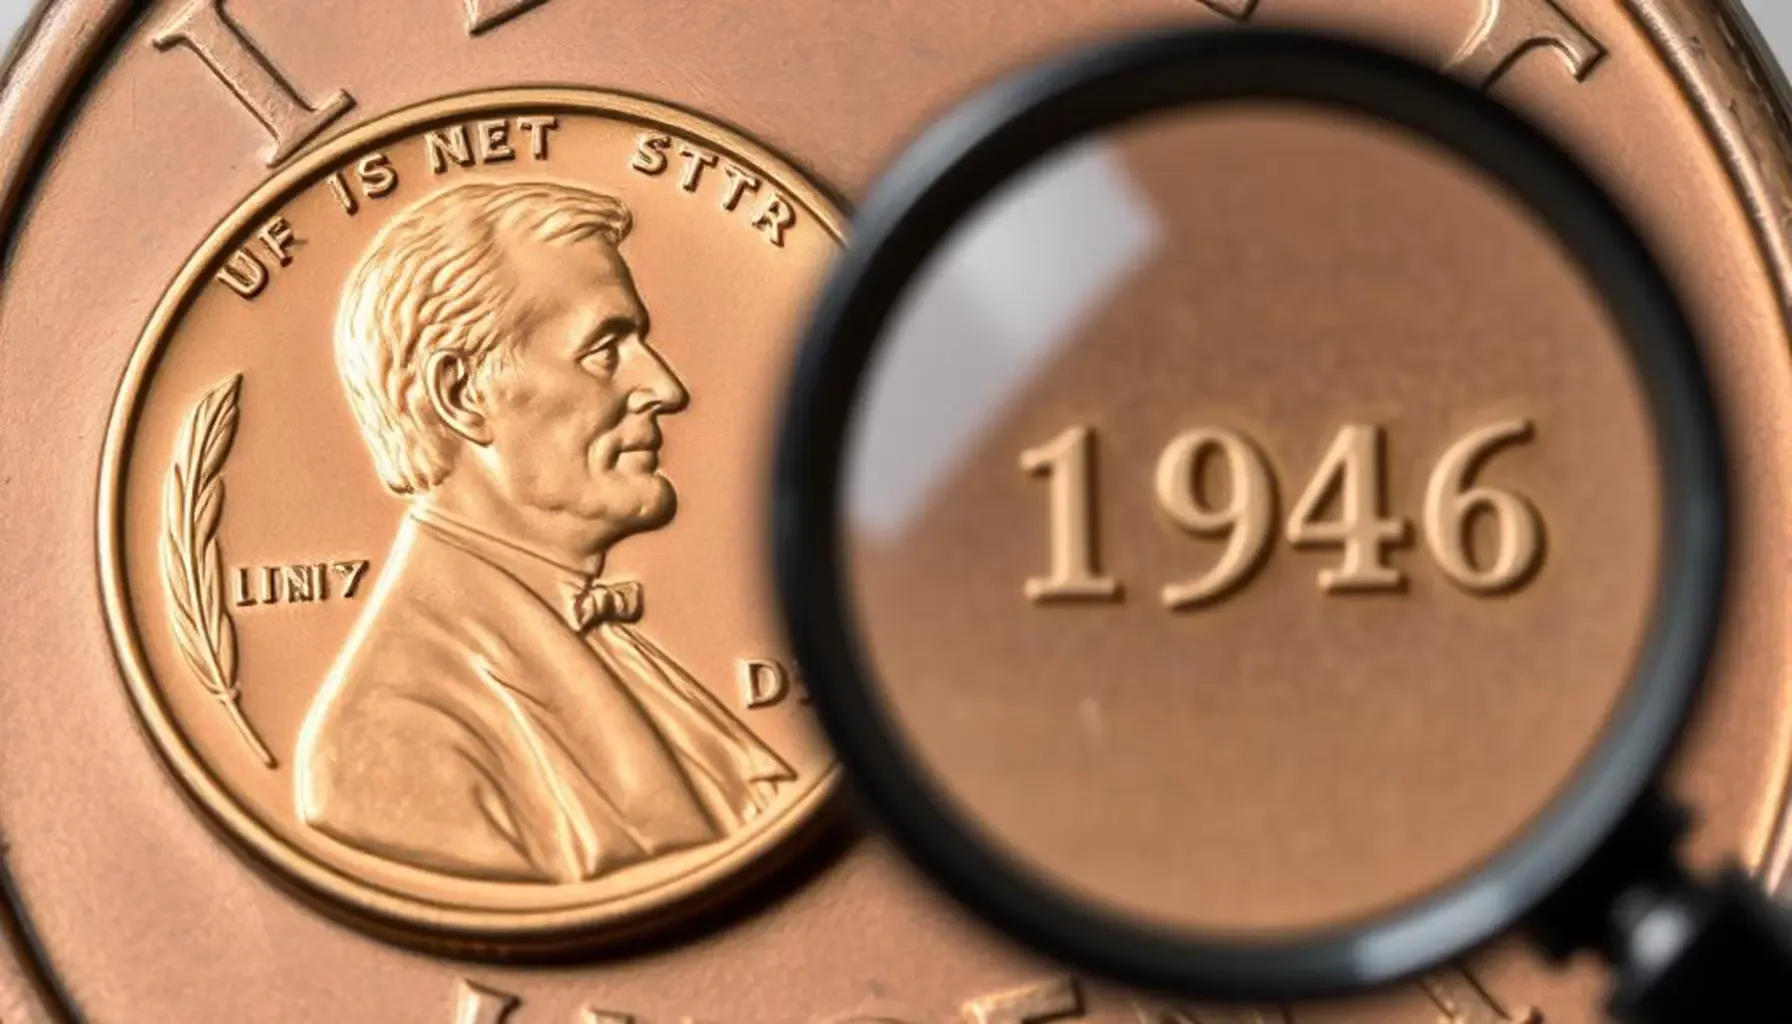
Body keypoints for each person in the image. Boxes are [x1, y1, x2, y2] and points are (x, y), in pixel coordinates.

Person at [293, 180, 793, 885]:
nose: (666, 386)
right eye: (605, 348)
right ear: (462, 395)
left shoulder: (600, 638)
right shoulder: (397, 740)